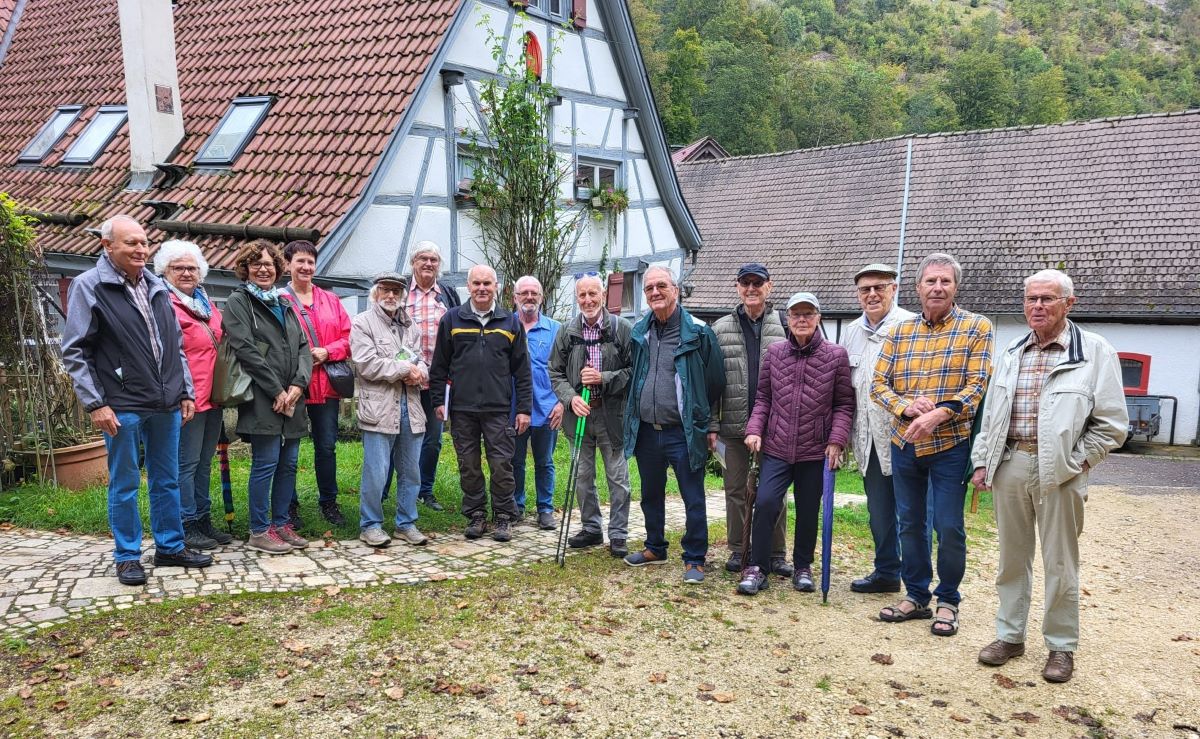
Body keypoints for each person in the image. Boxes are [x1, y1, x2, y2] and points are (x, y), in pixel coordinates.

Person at [971, 270, 1127, 683]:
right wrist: (984, 460)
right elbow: (992, 417)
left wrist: (1077, 462)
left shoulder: (1094, 352)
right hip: (1011, 465)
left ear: (1068, 303)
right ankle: (1009, 636)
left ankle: (1061, 647)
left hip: (1061, 471)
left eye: (1047, 299)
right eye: (1031, 299)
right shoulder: (1012, 352)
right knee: (1011, 559)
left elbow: (1112, 425)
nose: (1037, 306)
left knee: (1060, 563)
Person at [62, 215, 212, 585]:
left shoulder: (157, 286)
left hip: (165, 404)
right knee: (125, 483)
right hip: (122, 405)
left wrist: (185, 391)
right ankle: (127, 556)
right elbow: (74, 351)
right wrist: (96, 403)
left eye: (144, 242)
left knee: (167, 480)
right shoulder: (89, 286)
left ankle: (169, 547)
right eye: (131, 243)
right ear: (107, 246)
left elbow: (175, 345)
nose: (140, 249)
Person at [871, 252, 993, 637]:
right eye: (930, 281)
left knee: (948, 525)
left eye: (945, 281)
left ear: (955, 287)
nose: (937, 287)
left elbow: (978, 385)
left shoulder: (977, 327)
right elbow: (878, 385)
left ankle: (949, 599)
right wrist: (908, 407)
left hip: (950, 444)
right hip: (905, 443)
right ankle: (917, 595)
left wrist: (938, 413)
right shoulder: (900, 332)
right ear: (918, 288)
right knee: (909, 522)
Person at [738, 292, 854, 595]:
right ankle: (758, 567)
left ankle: (803, 566)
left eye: (808, 314)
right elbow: (763, 398)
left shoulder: (835, 355)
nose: (802, 320)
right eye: (796, 315)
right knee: (765, 503)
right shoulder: (775, 353)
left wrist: (837, 440)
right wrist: (755, 429)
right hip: (776, 446)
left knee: (807, 509)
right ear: (787, 319)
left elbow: (844, 404)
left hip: (815, 449)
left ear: (818, 318)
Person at [622, 266, 725, 583]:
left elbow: (715, 381)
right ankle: (655, 547)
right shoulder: (641, 331)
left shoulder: (698, 332)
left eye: (661, 286)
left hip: (682, 432)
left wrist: (706, 423)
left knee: (692, 497)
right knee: (650, 494)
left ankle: (694, 558)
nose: (655, 292)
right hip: (647, 431)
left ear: (676, 290)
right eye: (649, 287)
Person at [429, 265, 532, 542]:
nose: (482, 288)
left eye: (487, 283)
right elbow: (439, 365)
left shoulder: (510, 323)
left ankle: (502, 517)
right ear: (468, 286)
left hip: (499, 410)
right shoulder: (452, 320)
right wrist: (439, 400)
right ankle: (476, 515)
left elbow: (522, 371)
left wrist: (523, 409)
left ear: (497, 286)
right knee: (469, 465)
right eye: (477, 283)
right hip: (462, 409)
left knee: (501, 465)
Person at [223, 240, 313, 554]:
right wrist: (277, 390)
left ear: (278, 268)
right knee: (266, 463)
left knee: (288, 465)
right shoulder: (239, 302)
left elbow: (304, 347)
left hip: (292, 397)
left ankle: (281, 523)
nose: (264, 269)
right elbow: (245, 349)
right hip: (264, 398)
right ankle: (259, 530)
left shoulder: (284, 302)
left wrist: (298, 386)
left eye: (269, 264)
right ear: (245, 269)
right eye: (256, 264)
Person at [840, 263, 915, 593]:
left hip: (906, 438)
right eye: (865, 289)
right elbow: (845, 387)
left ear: (894, 289)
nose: (872, 294)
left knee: (912, 515)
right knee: (879, 512)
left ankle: (916, 584)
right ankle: (886, 572)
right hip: (869, 440)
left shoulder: (912, 326)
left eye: (879, 287)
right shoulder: (852, 331)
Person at [712, 263, 791, 577]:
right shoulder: (719, 329)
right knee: (735, 490)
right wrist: (712, 426)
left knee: (775, 494)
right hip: (732, 427)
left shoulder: (784, 324)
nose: (751, 289)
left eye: (757, 283)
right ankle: (737, 549)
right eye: (745, 283)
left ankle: (775, 553)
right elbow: (712, 383)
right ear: (737, 287)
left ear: (769, 287)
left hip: (775, 427)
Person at [154, 239, 233, 551]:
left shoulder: (205, 302)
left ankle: (203, 518)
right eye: (178, 268)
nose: (186, 273)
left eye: (192, 268)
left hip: (212, 396)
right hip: (187, 398)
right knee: (185, 464)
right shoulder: (164, 303)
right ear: (165, 271)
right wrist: (183, 393)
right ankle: (186, 523)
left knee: (203, 462)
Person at [548, 274, 634, 557]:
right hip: (579, 415)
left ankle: (619, 533)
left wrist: (603, 378)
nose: (587, 300)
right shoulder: (567, 331)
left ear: (604, 293)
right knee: (583, 476)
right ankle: (592, 528)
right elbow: (555, 372)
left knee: (617, 477)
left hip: (611, 415)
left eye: (592, 294)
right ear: (577, 297)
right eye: (582, 295)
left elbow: (634, 372)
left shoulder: (621, 329)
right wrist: (571, 399)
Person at [350, 272, 431, 548]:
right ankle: (370, 525)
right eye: (385, 289)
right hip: (379, 408)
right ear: (376, 292)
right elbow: (366, 364)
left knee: (411, 471)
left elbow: (421, 360)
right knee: (377, 470)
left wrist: (420, 371)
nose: (391, 295)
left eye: (396, 291)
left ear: (403, 295)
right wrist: (404, 369)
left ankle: (406, 523)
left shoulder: (411, 326)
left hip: (412, 406)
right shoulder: (362, 324)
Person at [283, 239, 352, 526]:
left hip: (326, 386)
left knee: (326, 446)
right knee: (290, 449)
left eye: (310, 262)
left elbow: (348, 338)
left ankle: (329, 502)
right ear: (288, 265)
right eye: (300, 261)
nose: (306, 267)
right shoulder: (279, 300)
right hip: (293, 386)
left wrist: (328, 351)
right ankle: (288, 505)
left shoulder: (330, 300)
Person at [407, 241, 462, 512]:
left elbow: (459, 334)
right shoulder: (403, 293)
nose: (428, 264)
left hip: (438, 381)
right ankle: (387, 490)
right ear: (413, 263)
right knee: (400, 435)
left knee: (433, 438)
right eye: (423, 259)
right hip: (406, 379)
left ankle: (424, 491)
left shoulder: (448, 294)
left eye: (433, 260)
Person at [510, 276, 562, 530]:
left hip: (547, 408)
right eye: (524, 293)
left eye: (535, 293)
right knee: (514, 461)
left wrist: (561, 402)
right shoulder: (506, 325)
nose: (529, 297)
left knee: (545, 462)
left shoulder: (556, 329)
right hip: (512, 409)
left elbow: (566, 370)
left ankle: (545, 509)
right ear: (515, 297)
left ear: (542, 298)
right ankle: (516, 506)